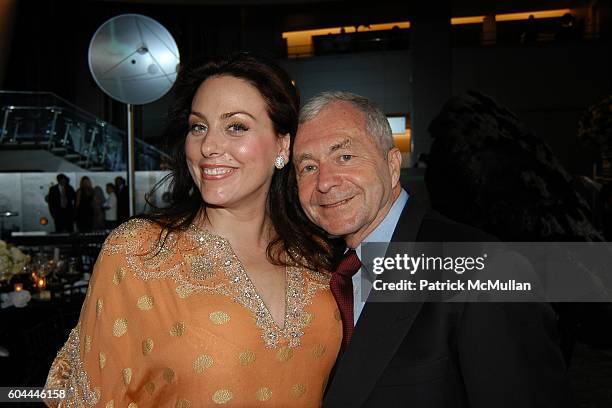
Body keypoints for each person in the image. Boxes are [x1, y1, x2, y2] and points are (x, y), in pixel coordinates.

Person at [45, 53, 341, 407]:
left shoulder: (316, 254)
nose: (208, 147)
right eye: (198, 126)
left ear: (282, 145)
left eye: (236, 127)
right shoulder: (139, 252)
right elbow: (86, 395)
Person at [292, 91, 575, 407]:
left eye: (344, 156)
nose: (325, 182)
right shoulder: (317, 272)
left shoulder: (485, 269)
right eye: (307, 167)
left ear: (392, 164)